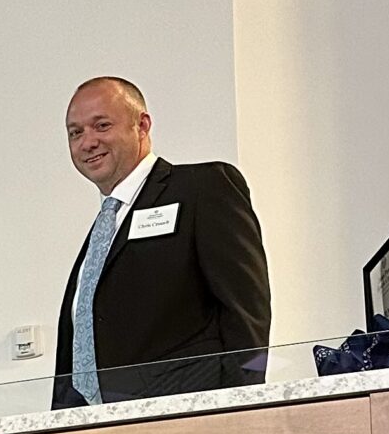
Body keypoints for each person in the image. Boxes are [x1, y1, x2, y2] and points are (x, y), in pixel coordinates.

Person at [53, 77, 271, 406]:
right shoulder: (104, 228)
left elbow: (247, 313)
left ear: (142, 126)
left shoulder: (202, 189)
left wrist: (241, 406)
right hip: (96, 432)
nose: (88, 142)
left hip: (187, 420)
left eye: (102, 125)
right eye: (76, 132)